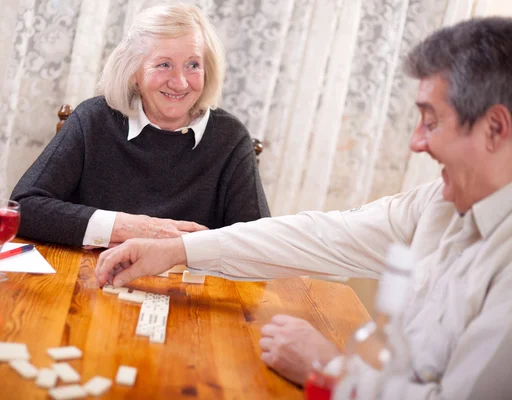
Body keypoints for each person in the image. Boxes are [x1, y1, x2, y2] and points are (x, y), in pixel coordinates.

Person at [94, 17, 512, 399]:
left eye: (432, 121)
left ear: (494, 129)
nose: (417, 142)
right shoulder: (437, 202)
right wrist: (176, 250)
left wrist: (331, 368)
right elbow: (320, 234)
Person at [11, 4, 270, 247]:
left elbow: (259, 246)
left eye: (193, 65)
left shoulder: (230, 138)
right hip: (91, 282)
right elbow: (22, 208)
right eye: (164, 64)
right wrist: (127, 228)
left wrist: (184, 250)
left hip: (186, 291)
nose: (180, 82)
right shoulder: (93, 119)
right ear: (134, 72)